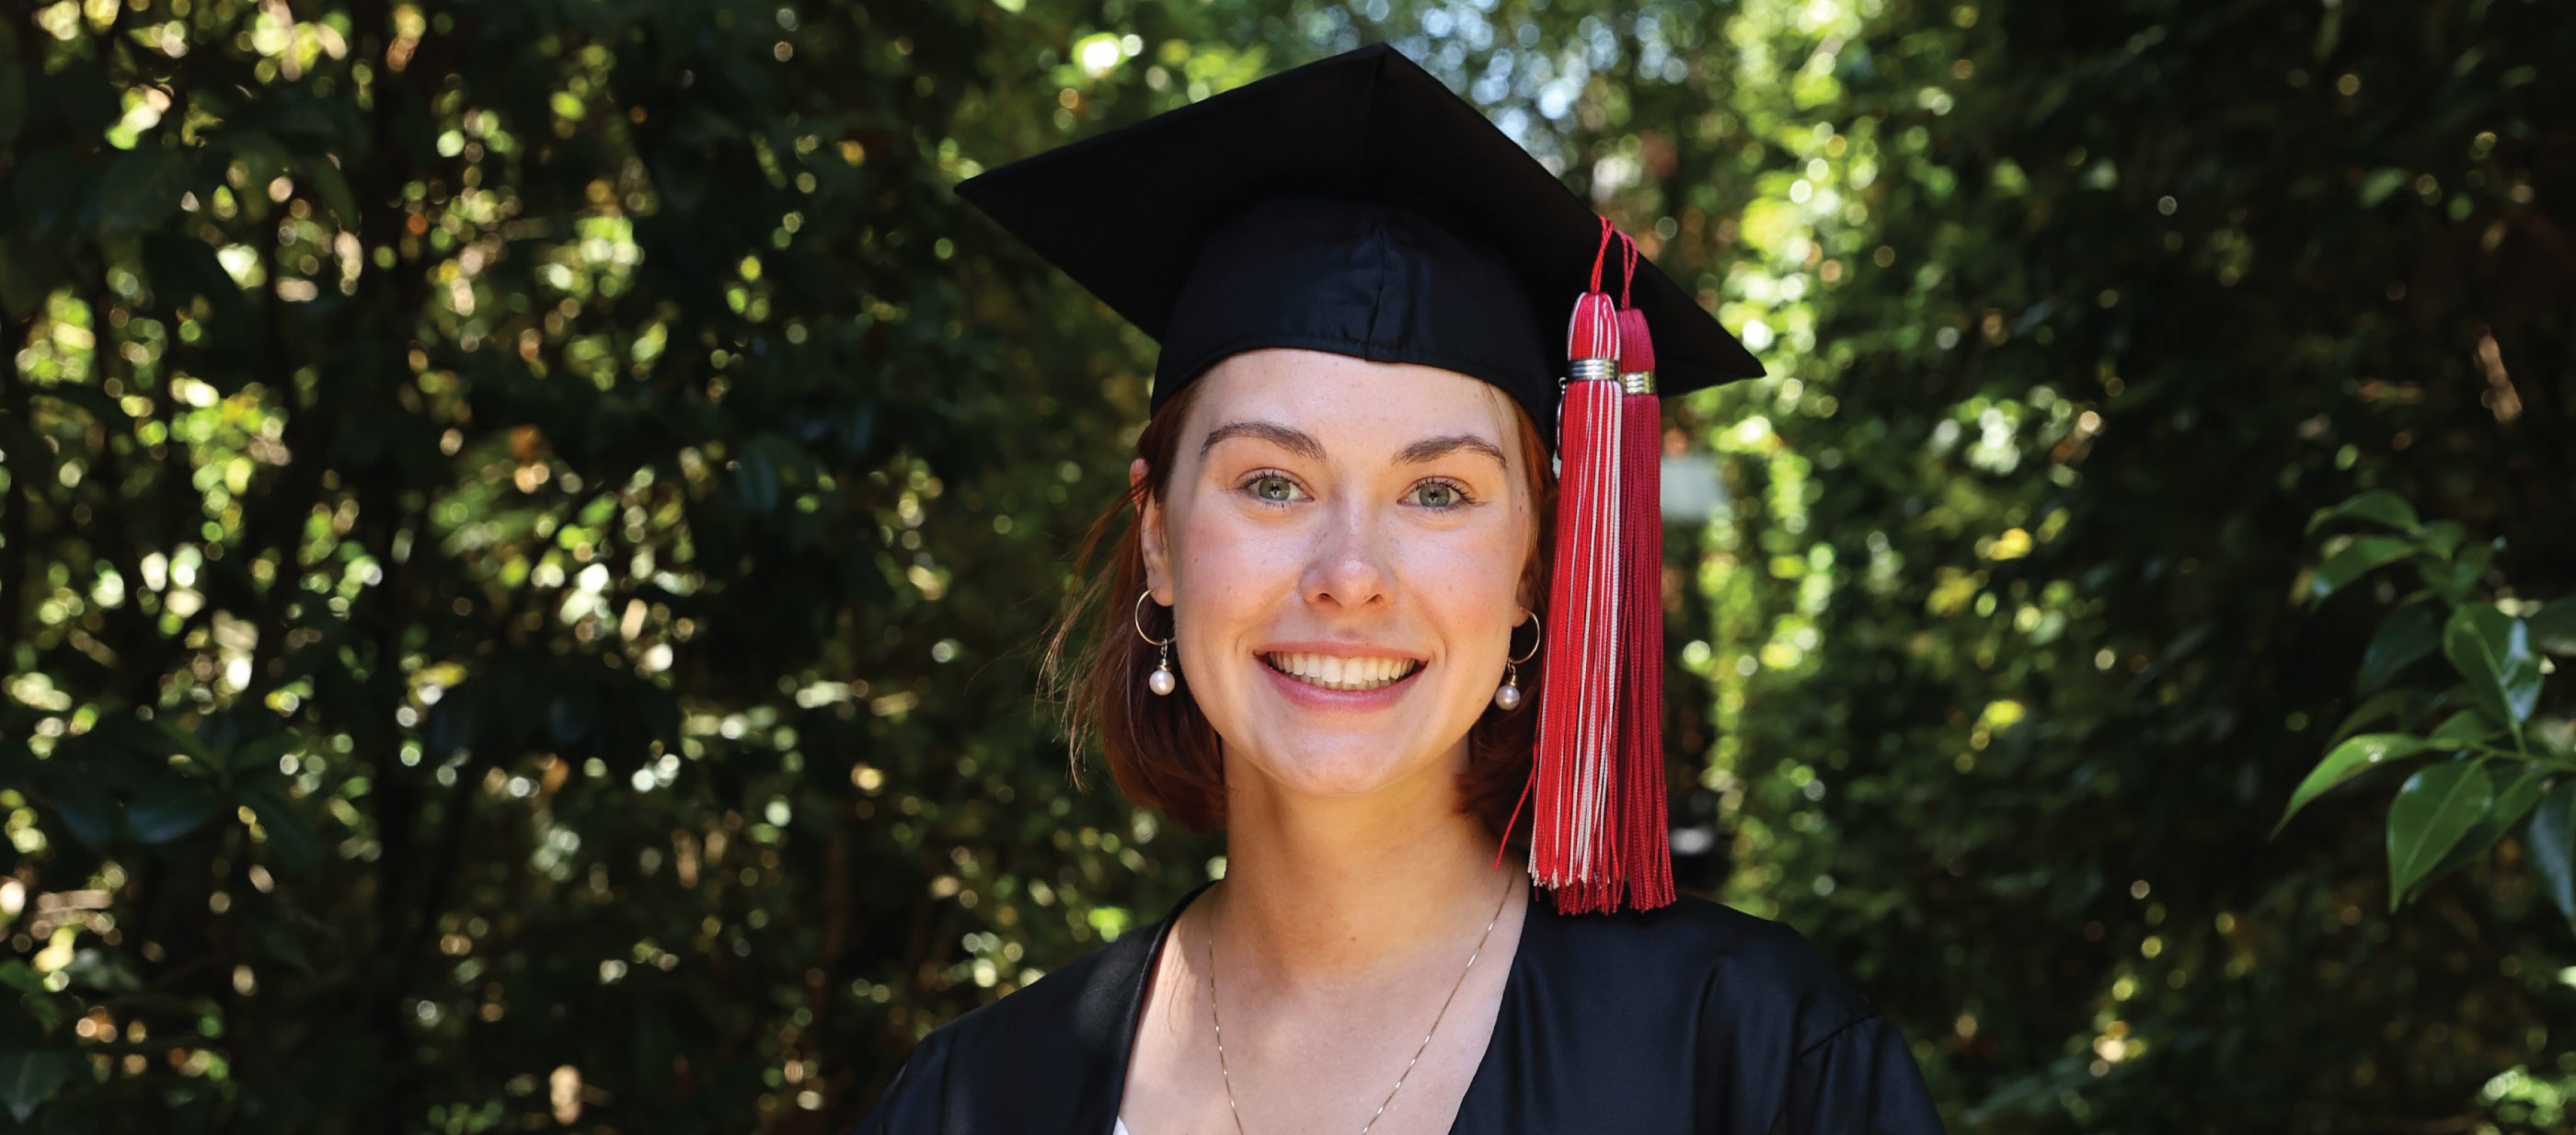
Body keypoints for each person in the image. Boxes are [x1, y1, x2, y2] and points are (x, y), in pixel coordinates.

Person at [854, 43, 1944, 1135]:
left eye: (1437, 492)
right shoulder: (977, 1098)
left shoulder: (1750, 1061)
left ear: (1533, 566)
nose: (1349, 576)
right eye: (1272, 484)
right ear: (1158, 540)